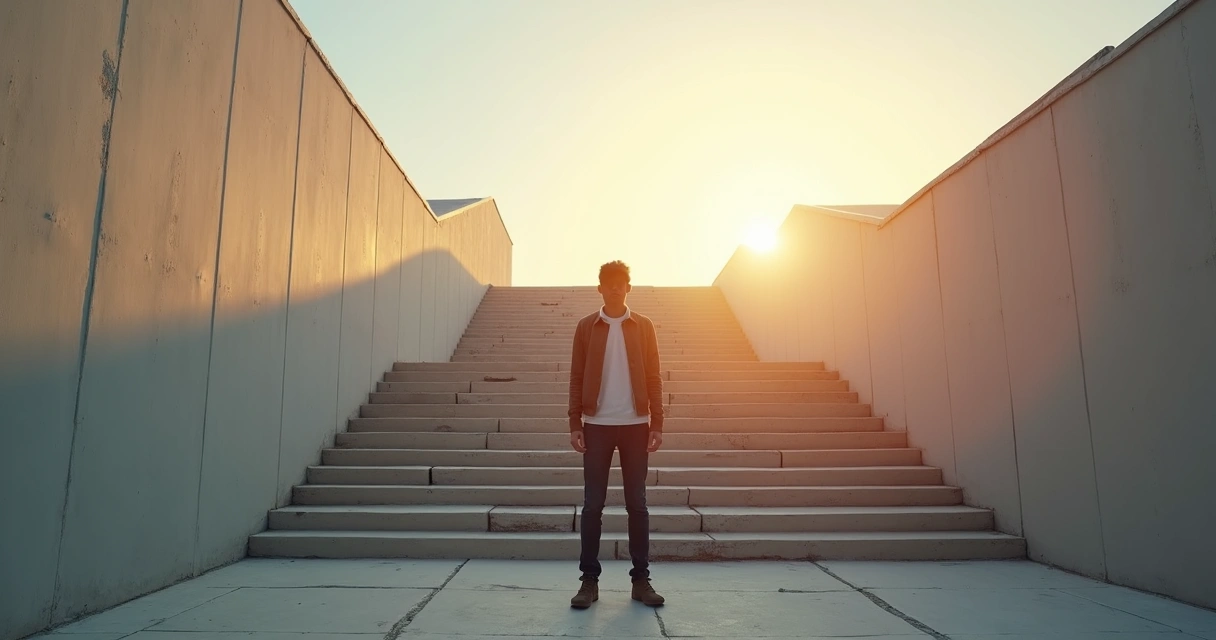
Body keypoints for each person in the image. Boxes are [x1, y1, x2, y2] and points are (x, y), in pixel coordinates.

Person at [567, 260, 666, 609]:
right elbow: (576, 377)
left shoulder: (644, 326)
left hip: (636, 425)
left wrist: (657, 422)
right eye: (608, 282)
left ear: (628, 287)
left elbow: (654, 376)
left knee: (637, 505)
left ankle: (641, 580)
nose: (614, 287)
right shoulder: (585, 327)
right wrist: (575, 423)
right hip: (596, 425)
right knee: (593, 505)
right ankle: (589, 582)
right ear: (600, 289)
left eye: (620, 282)